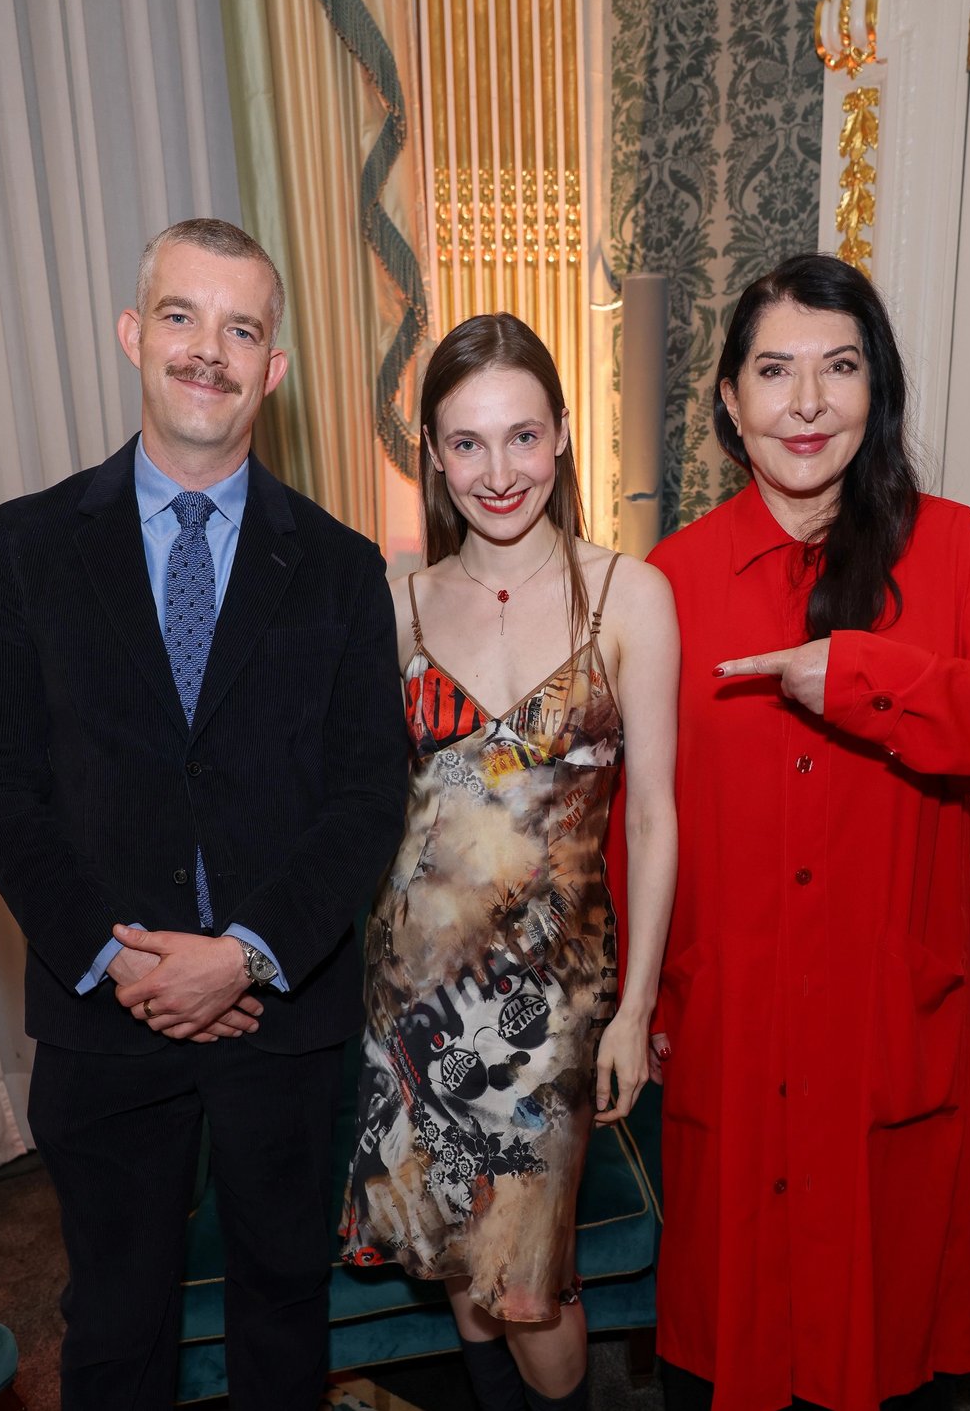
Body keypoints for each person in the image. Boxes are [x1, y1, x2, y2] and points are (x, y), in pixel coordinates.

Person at [0, 218, 408, 1410]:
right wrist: (122, 955)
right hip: (105, 1017)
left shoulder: (346, 570)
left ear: (275, 369)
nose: (210, 350)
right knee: (112, 1325)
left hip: (285, 1018)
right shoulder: (28, 545)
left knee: (279, 1314)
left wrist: (243, 952)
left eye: (241, 328)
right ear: (132, 333)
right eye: (182, 316)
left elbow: (368, 793)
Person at [643, 253, 970, 1411]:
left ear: (875, 392)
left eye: (839, 368)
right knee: (731, 1355)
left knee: (883, 1358)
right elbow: (627, 814)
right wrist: (641, 993)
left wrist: (868, 679)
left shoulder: (950, 549)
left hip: (882, 1031)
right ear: (731, 402)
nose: (806, 403)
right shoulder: (668, 582)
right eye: (774, 370)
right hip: (729, 1036)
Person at [339, 313, 679, 1410]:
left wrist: (632, 1011)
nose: (499, 471)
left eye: (523, 437)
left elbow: (656, 818)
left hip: (551, 1011)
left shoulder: (630, 596)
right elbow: (354, 798)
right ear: (433, 452)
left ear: (564, 436)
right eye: (469, 442)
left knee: (532, 1288)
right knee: (462, 1266)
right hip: (417, 994)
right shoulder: (396, 603)